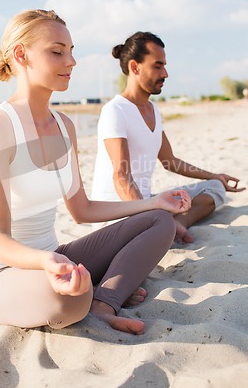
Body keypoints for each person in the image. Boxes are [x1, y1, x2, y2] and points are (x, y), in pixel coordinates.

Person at [0, 10, 191, 336]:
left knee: (160, 222)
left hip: (57, 259)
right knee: (69, 301)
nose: (71, 61)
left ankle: (103, 304)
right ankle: (95, 294)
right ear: (21, 54)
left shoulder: (64, 126)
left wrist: (155, 202)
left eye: (72, 51)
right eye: (57, 51)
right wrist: (46, 262)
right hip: (0, 272)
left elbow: (82, 210)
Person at [91, 31, 245, 243]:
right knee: (159, 216)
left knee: (215, 188)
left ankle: (178, 223)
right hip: (118, 214)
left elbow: (170, 161)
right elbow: (121, 176)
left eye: (164, 66)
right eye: (157, 66)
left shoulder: (153, 109)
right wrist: (147, 218)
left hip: (146, 204)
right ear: (134, 67)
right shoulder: (115, 110)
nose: (165, 73)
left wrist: (215, 175)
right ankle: (161, 225)